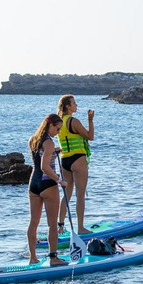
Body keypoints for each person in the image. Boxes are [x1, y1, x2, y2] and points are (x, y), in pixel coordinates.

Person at [27, 113, 68, 266]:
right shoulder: (49, 142)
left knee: (34, 222)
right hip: (48, 184)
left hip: (33, 184)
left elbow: (41, 157)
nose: (57, 133)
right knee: (52, 224)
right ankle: (53, 258)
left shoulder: (33, 139)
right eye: (57, 130)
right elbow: (45, 166)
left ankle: (32, 257)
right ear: (51, 126)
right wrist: (59, 180)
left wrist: (55, 151)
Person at [57, 95, 94, 235]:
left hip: (65, 159)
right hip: (77, 158)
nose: (76, 105)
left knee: (66, 194)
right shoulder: (74, 121)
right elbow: (90, 136)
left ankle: (60, 226)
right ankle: (80, 228)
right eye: (74, 103)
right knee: (80, 195)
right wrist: (90, 120)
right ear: (67, 106)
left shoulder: (59, 121)